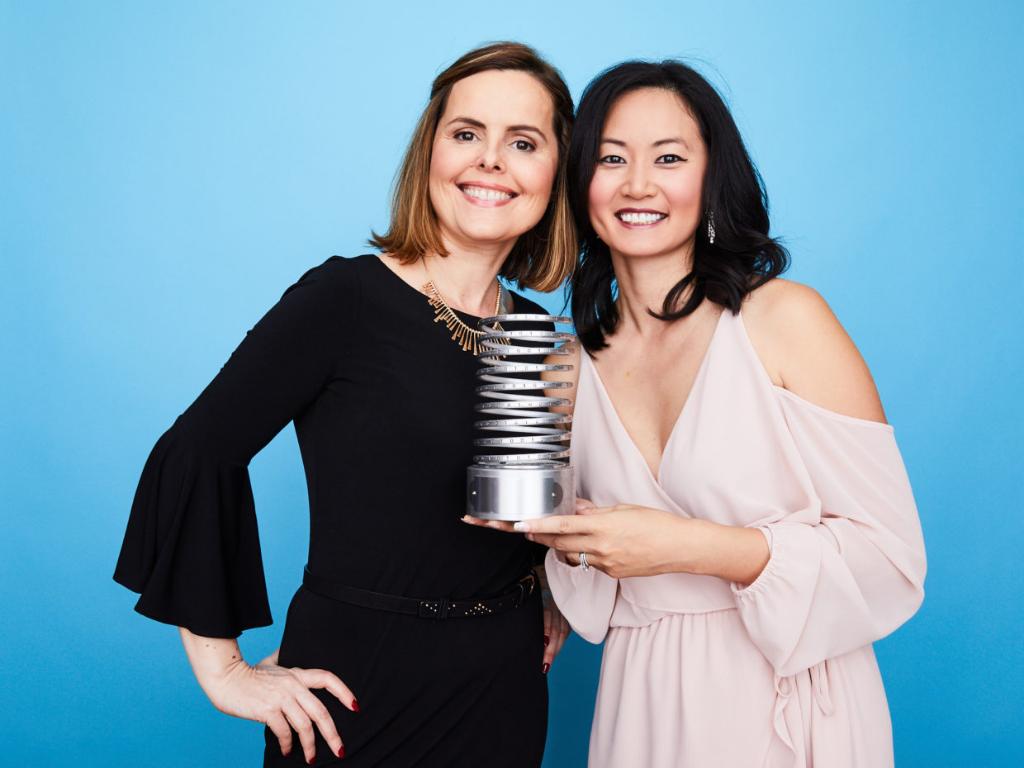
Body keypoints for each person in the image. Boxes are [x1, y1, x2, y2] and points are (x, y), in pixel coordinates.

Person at [114, 42, 574, 767]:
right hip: (362, 683)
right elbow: (196, 451)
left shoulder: (534, 330)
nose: (490, 160)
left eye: (523, 142)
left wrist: (549, 589)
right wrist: (224, 671)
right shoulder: (346, 298)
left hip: (504, 687)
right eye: (467, 133)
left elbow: (517, 510)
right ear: (430, 153)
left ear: (556, 173)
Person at [466, 60, 926, 767]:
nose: (638, 184)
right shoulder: (568, 369)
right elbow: (592, 592)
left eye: (669, 158)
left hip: (786, 695)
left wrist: (685, 546)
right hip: (643, 698)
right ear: (579, 182)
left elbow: (892, 560)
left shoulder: (784, 321)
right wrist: (559, 540)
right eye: (612, 159)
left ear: (712, 179)